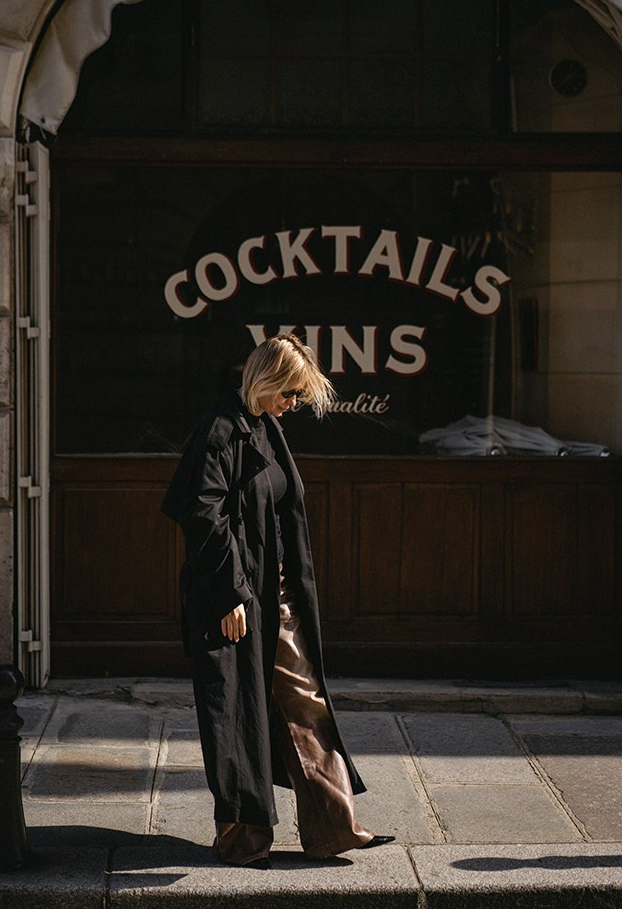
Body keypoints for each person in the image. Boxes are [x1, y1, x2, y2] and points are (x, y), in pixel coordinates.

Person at [161, 333, 394, 869]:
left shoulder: (265, 429)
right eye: (289, 392)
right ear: (262, 382)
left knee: (305, 702)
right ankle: (242, 840)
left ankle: (335, 826)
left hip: (277, 594)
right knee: (236, 713)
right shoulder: (219, 434)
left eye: (299, 396)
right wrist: (231, 594)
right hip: (235, 597)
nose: (293, 404)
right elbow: (203, 517)